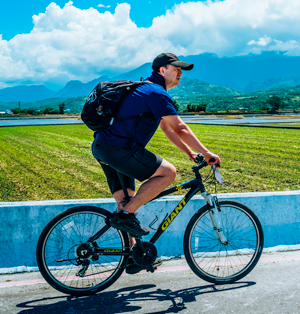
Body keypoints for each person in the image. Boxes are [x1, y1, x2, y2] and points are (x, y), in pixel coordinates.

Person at [91, 53, 221, 273]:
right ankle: (124, 216)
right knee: (168, 173)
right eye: (176, 68)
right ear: (162, 70)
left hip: (103, 147)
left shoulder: (146, 89)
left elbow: (167, 128)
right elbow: (180, 127)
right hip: (118, 149)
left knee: (127, 201)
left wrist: (190, 153)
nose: (180, 72)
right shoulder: (156, 93)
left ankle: (133, 256)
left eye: (182, 69)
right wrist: (207, 153)